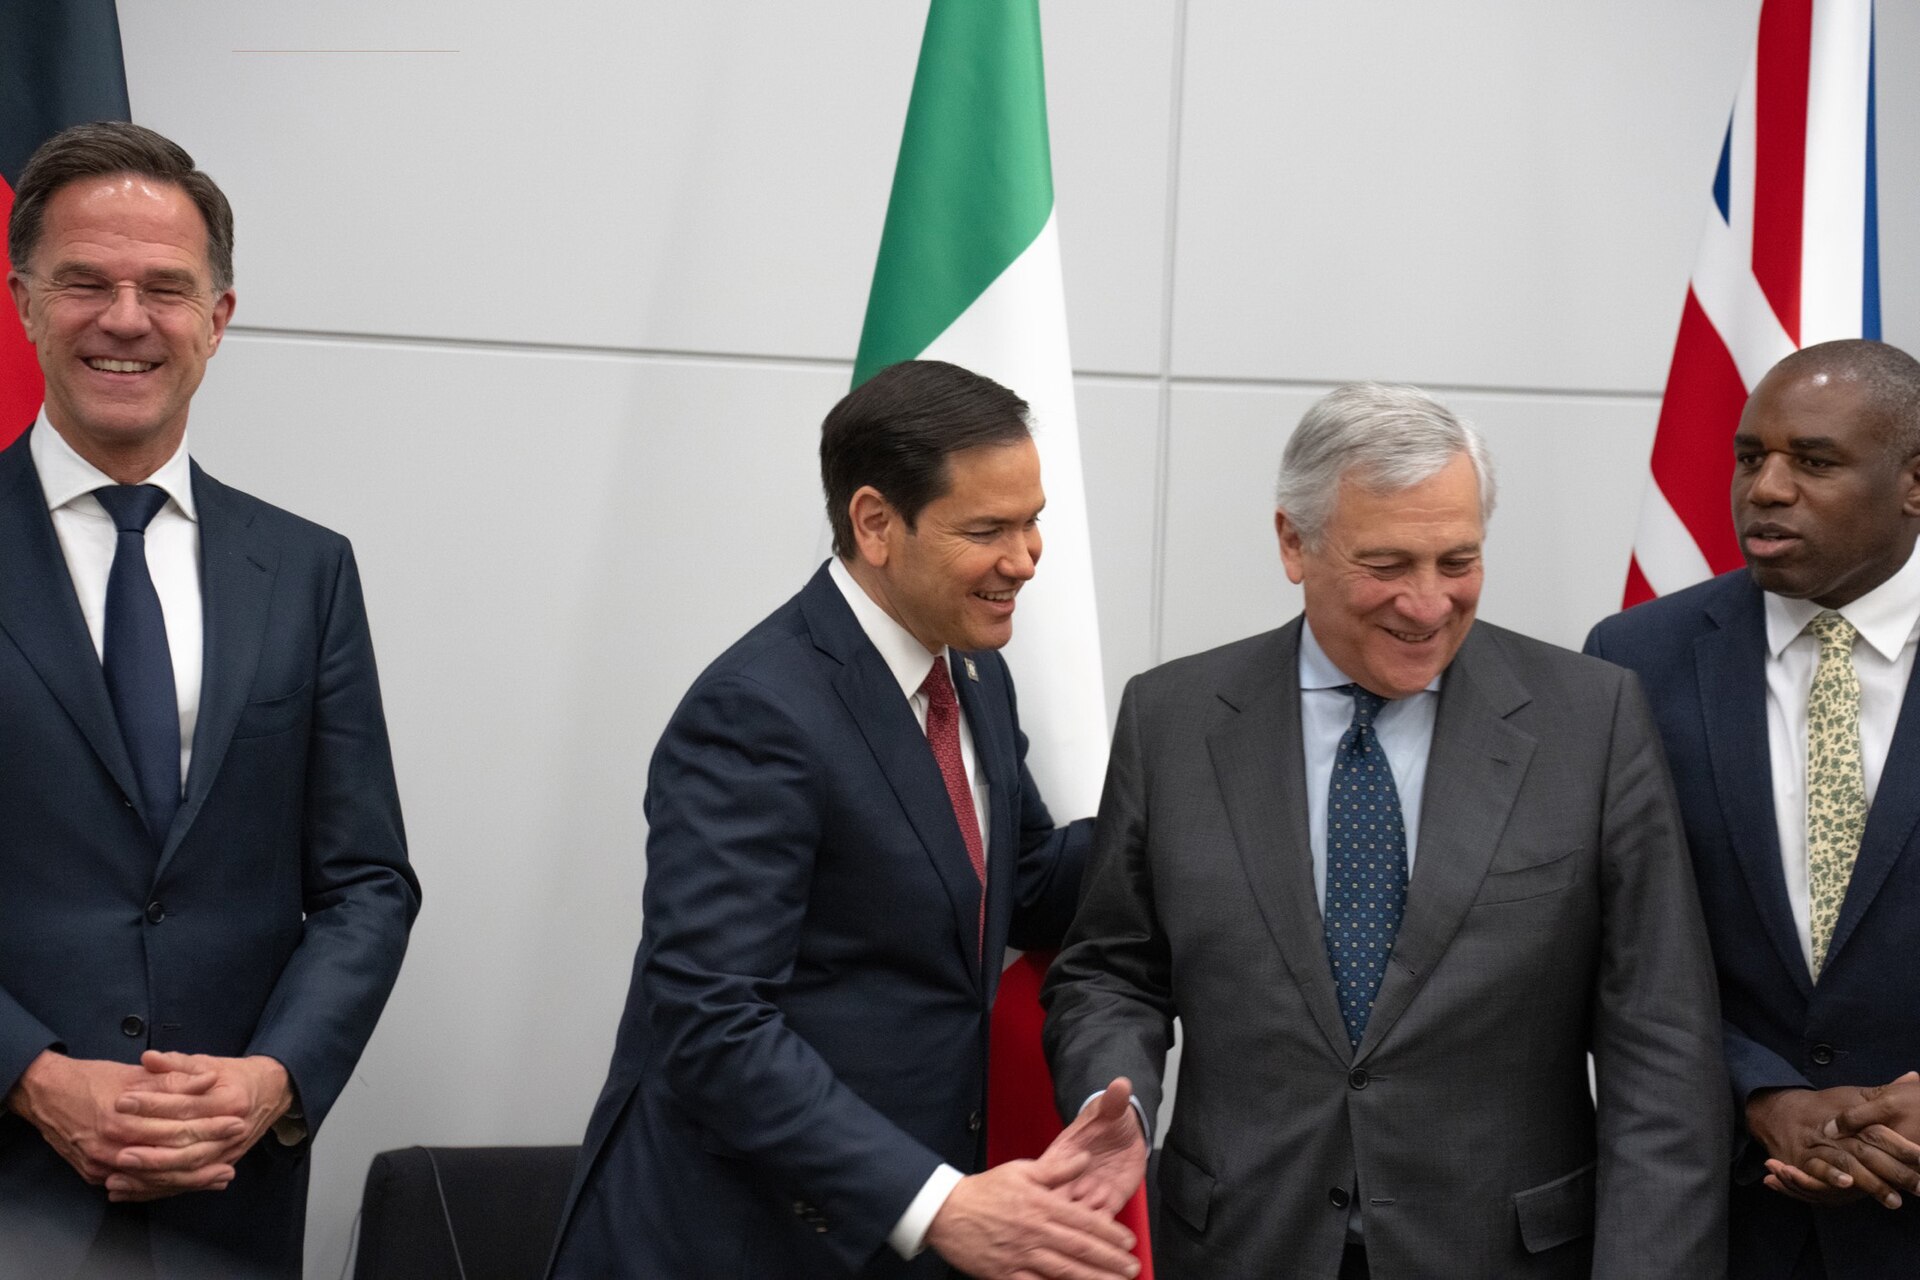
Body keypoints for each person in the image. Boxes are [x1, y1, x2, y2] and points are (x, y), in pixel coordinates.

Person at [1042, 382, 1730, 1278]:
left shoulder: (1589, 720)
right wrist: (1116, 1098)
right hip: (1243, 1242)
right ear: (1294, 542)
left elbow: (1663, 1046)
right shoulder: (1170, 719)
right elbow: (1112, 968)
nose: (1428, 602)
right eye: (1388, 563)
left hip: (1506, 1253)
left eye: (1458, 561)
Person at [547, 359, 1141, 1280]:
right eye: (987, 529)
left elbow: (1010, 887)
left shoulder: (973, 673)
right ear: (875, 523)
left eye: (1033, 522)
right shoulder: (757, 712)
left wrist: (1179, 820)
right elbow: (712, 1024)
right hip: (740, 1241)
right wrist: (935, 1201)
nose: (1025, 559)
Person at [0, 121, 420, 1278]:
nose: (125, 317)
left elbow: (366, 882)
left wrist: (273, 1077)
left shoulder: (306, 569)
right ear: (25, 301)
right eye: (85, 280)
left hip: (225, 1200)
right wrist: (29, 1075)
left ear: (218, 319)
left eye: (165, 287)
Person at [1585, 339, 1920, 1279]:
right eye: (1749, 458)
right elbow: (1606, 936)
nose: (1765, 489)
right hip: (1724, 1216)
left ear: (1915, 484)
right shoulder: (1634, 659)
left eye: (1813, 462)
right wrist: (1759, 1091)